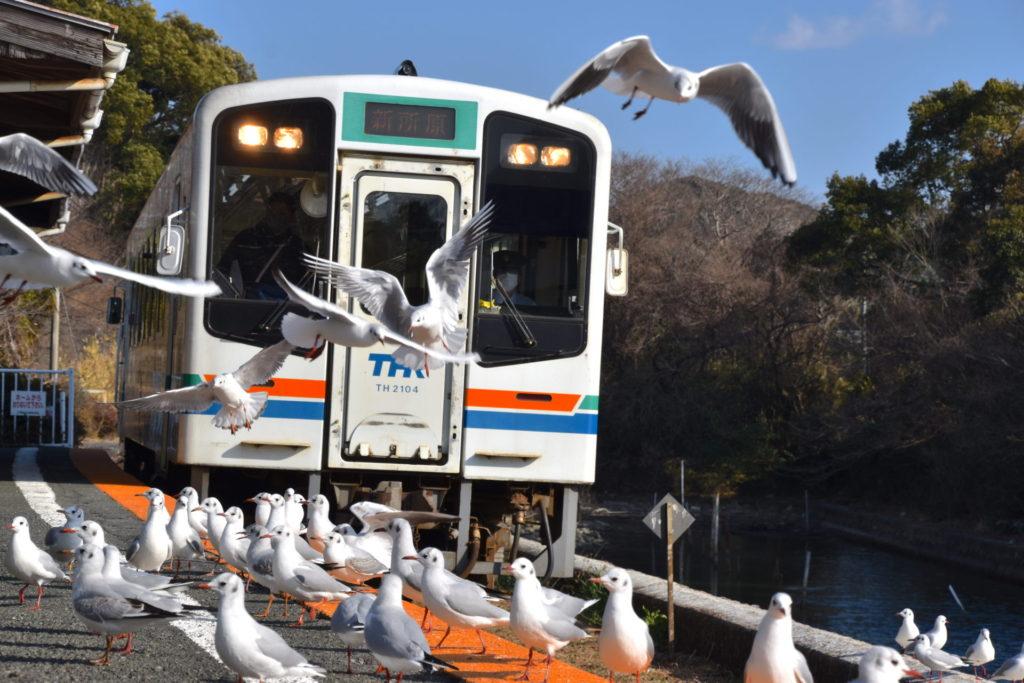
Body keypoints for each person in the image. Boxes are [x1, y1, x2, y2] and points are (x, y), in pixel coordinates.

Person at [217, 191, 306, 299]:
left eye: (282, 213)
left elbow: (307, 288)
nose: (275, 217)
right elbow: (222, 273)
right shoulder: (245, 239)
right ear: (266, 212)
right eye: (272, 212)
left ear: (291, 217)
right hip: (247, 306)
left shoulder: (297, 247)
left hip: (287, 310)